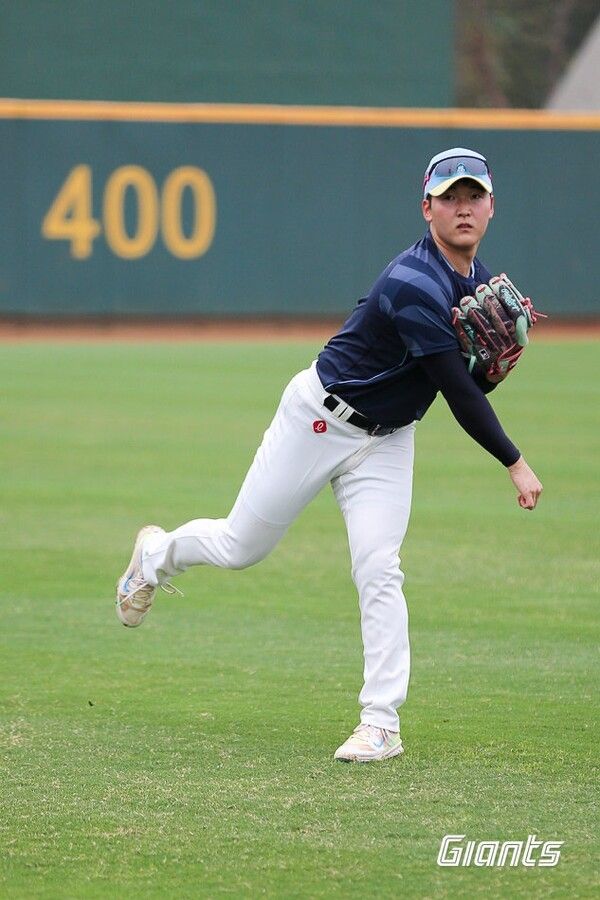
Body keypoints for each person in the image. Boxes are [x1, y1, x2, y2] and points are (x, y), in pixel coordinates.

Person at [116, 147, 543, 763]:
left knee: (379, 567)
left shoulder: (476, 283)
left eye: (473, 196)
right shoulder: (414, 282)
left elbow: (461, 382)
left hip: (388, 439)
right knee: (240, 546)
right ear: (426, 209)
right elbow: (456, 390)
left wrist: (491, 375)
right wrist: (514, 461)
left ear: (491, 207)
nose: (463, 208)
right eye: (449, 197)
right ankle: (155, 556)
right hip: (318, 421)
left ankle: (381, 724)